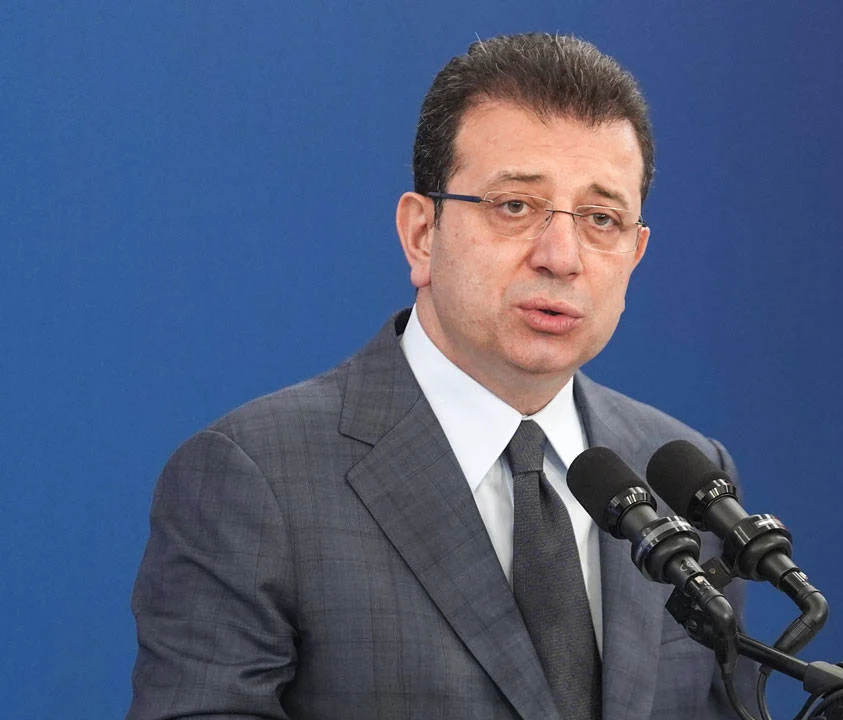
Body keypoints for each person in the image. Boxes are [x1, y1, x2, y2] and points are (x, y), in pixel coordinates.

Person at [129, 32, 747, 720]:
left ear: (635, 253)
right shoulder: (255, 479)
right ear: (422, 234)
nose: (562, 256)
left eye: (601, 219)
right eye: (516, 206)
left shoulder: (683, 477)